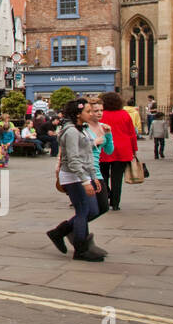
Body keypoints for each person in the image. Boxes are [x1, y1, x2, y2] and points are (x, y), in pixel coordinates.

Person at [45, 97, 108, 262]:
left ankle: (59, 232)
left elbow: (87, 155)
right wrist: (86, 182)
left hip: (84, 175)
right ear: (78, 114)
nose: (91, 113)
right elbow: (73, 159)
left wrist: (93, 177)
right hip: (73, 176)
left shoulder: (84, 129)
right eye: (87, 111)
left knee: (94, 210)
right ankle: (80, 250)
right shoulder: (72, 132)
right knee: (83, 211)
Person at [98, 91, 137, 211]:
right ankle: (115, 203)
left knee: (102, 176)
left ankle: (105, 197)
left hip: (104, 149)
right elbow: (132, 134)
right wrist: (134, 149)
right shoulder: (124, 114)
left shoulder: (101, 115)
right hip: (122, 149)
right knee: (117, 178)